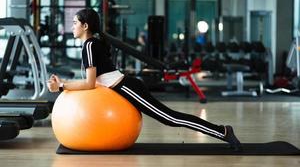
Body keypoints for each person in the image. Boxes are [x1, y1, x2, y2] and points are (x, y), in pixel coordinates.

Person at [47, 8, 242, 151]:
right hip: (123, 87)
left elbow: (90, 84)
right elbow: (94, 81)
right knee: (170, 117)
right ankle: (222, 131)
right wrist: (62, 83)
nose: (72, 26)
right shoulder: (92, 44)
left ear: (85, 25)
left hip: (126, 88)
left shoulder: (89, 45)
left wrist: (62, 86)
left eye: (74, 23)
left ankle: (223, 131)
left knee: (170, 118)